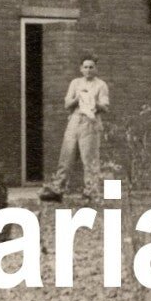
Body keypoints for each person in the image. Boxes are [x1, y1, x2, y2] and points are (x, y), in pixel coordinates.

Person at [40, 54, 110, 203]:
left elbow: (105, 107)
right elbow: (67, 104)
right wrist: (78, 99)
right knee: (66, 156)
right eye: (85, 67)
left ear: (96, 69)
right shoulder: (75, 83)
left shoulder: (101, 85)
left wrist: (93, 101)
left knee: (89, 159)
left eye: (91, 67)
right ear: (81, 69)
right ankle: (57, 190)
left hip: (90, 122)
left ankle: (91, 193)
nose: (88, 70)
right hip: (74, 121)